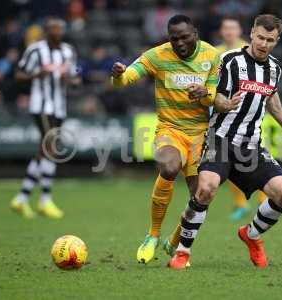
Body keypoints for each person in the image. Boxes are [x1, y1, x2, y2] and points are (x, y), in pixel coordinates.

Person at [168, 14, 282, 270]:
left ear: (277, 40)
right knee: (206, 189)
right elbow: (214, 96)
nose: (264, 44)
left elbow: (271, 96)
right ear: (252, 33)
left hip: (251, 147)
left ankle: (251, 235)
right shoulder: (230, 61)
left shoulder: (275, 68)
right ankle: (182, 251)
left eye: (271, 40)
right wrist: (223, 103)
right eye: (261, 37)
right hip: (220, 140)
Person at [111, 15, 220, 264]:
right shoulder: (157, 55)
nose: (179, 43)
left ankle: (176, 240)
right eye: (174, 39)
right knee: (169, 167)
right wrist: (119, 75)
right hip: (170, 129)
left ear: (196, 33)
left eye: (184, 37)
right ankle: (152, 235)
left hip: (201, 133)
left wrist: (205, 94)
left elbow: (215, 96)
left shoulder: (212, 56)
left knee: (201, 194)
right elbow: (126, 79)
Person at [10, 18, 80, 219]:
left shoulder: (68, 51)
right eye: (52, 29)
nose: (56, 32)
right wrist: (37, 74)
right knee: (51, 147)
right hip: (41, 106)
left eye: (59, 29)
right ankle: (45, 199)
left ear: (63, 31)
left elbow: (77, 73)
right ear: (46, 31)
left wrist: (72, 79)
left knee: (45, 149)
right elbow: (18, 74)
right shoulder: (35, 50)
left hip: (59, 107)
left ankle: (22, 198)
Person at [216, 16, 267, 221]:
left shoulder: (250, 50)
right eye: (226, 27)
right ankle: (241, 204)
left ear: (240, 31)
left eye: (233, 27)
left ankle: (263, 200)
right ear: (221, 31)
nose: (229, 31)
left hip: (249, 116)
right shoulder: (215, 53)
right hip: (223, 116)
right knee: (228, 163)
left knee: (254, 159)